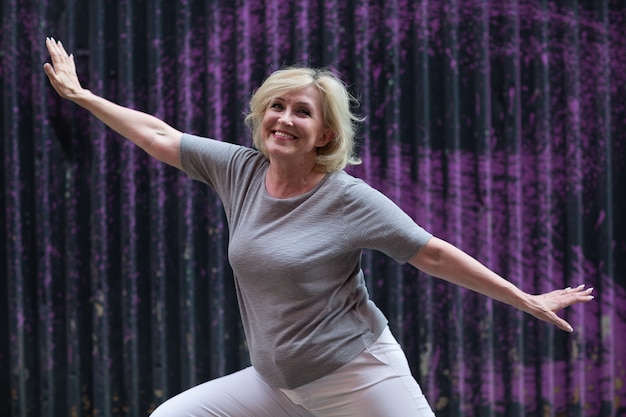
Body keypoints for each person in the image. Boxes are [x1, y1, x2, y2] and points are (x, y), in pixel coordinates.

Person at [43, 37, 594, 417]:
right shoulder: (239, 169)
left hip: (357, 376)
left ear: (325, 135)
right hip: (278, 384)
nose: (284, 118)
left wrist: (522, 297)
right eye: (276, 106)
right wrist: (83, 95)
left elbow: (431, 253)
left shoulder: (349, 199)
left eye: (302, 112)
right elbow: (158, 135)